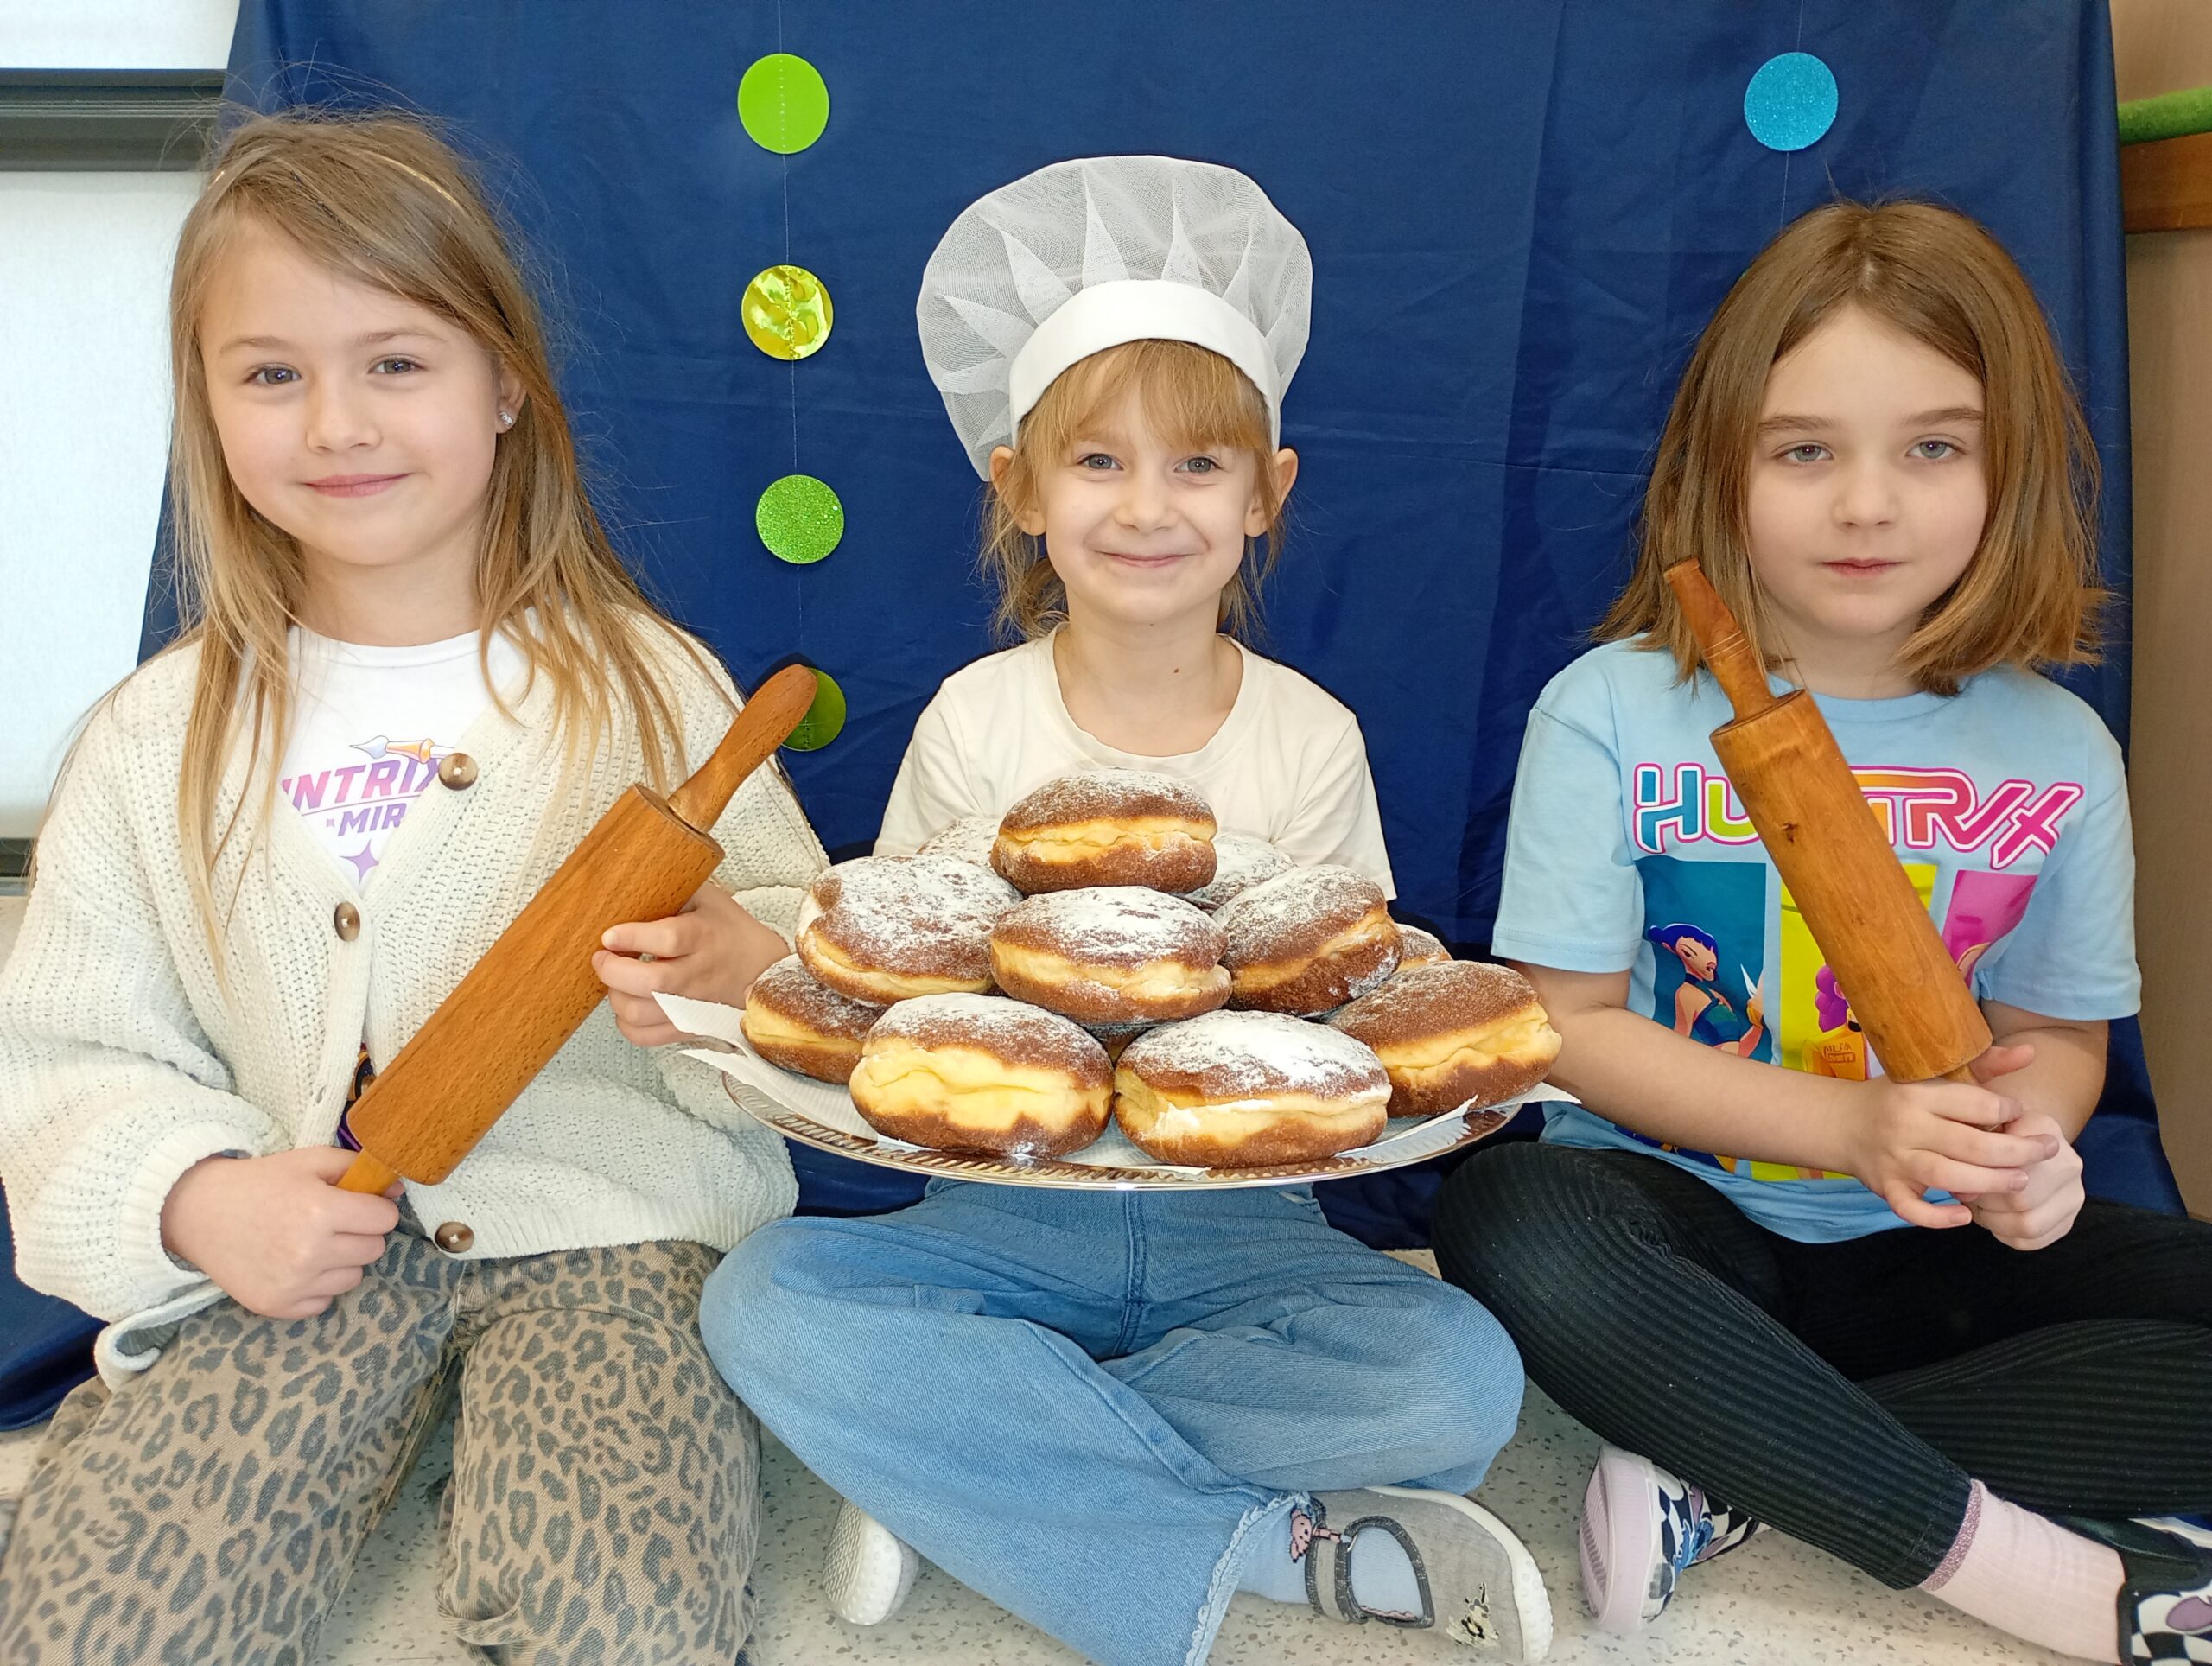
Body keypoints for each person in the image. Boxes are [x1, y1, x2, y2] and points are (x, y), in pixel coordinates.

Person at [0, 111, 827, 1665]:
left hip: (612, 1237)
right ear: (205, 404)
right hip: (301, 1229)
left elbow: (809, 966)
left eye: (395, 361)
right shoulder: (156, 737)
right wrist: (196, 1199)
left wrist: (738, 974)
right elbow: (67, 1052)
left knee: (623, 1619)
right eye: (270, 374)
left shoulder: (651, 690)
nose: (336, 424)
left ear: (503, 382)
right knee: (95, 1624)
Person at [702, 156, 1550, 1666]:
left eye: (1199, 466)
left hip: (1248, 1233)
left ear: (1267, 492)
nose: (1148, 507)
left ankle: (965, 1473)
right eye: (1097, 462)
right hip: (999, 1219)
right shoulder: (976, 719)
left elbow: (1349, 1006)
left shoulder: (1310, 736)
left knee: (1460, 1381)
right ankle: (1243, 1537)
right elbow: (906, 985)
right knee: (762, 1305)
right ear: (1020, 490)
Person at [1430, 199, 2212, 1665]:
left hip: (1931, 1259)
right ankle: (2031, 1572)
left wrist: (2020, 1149)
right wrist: (1850, 1125)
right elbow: (1567, 1030)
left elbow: (2056, 1039)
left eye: (1934, 448)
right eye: (1804, 451)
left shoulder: (2058, 750)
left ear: (2013, 468)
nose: (1867, 506)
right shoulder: (1612, 711)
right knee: (1505, 1222)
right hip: (1678, 1241)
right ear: (1718, 468)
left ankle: (1737, 1461)